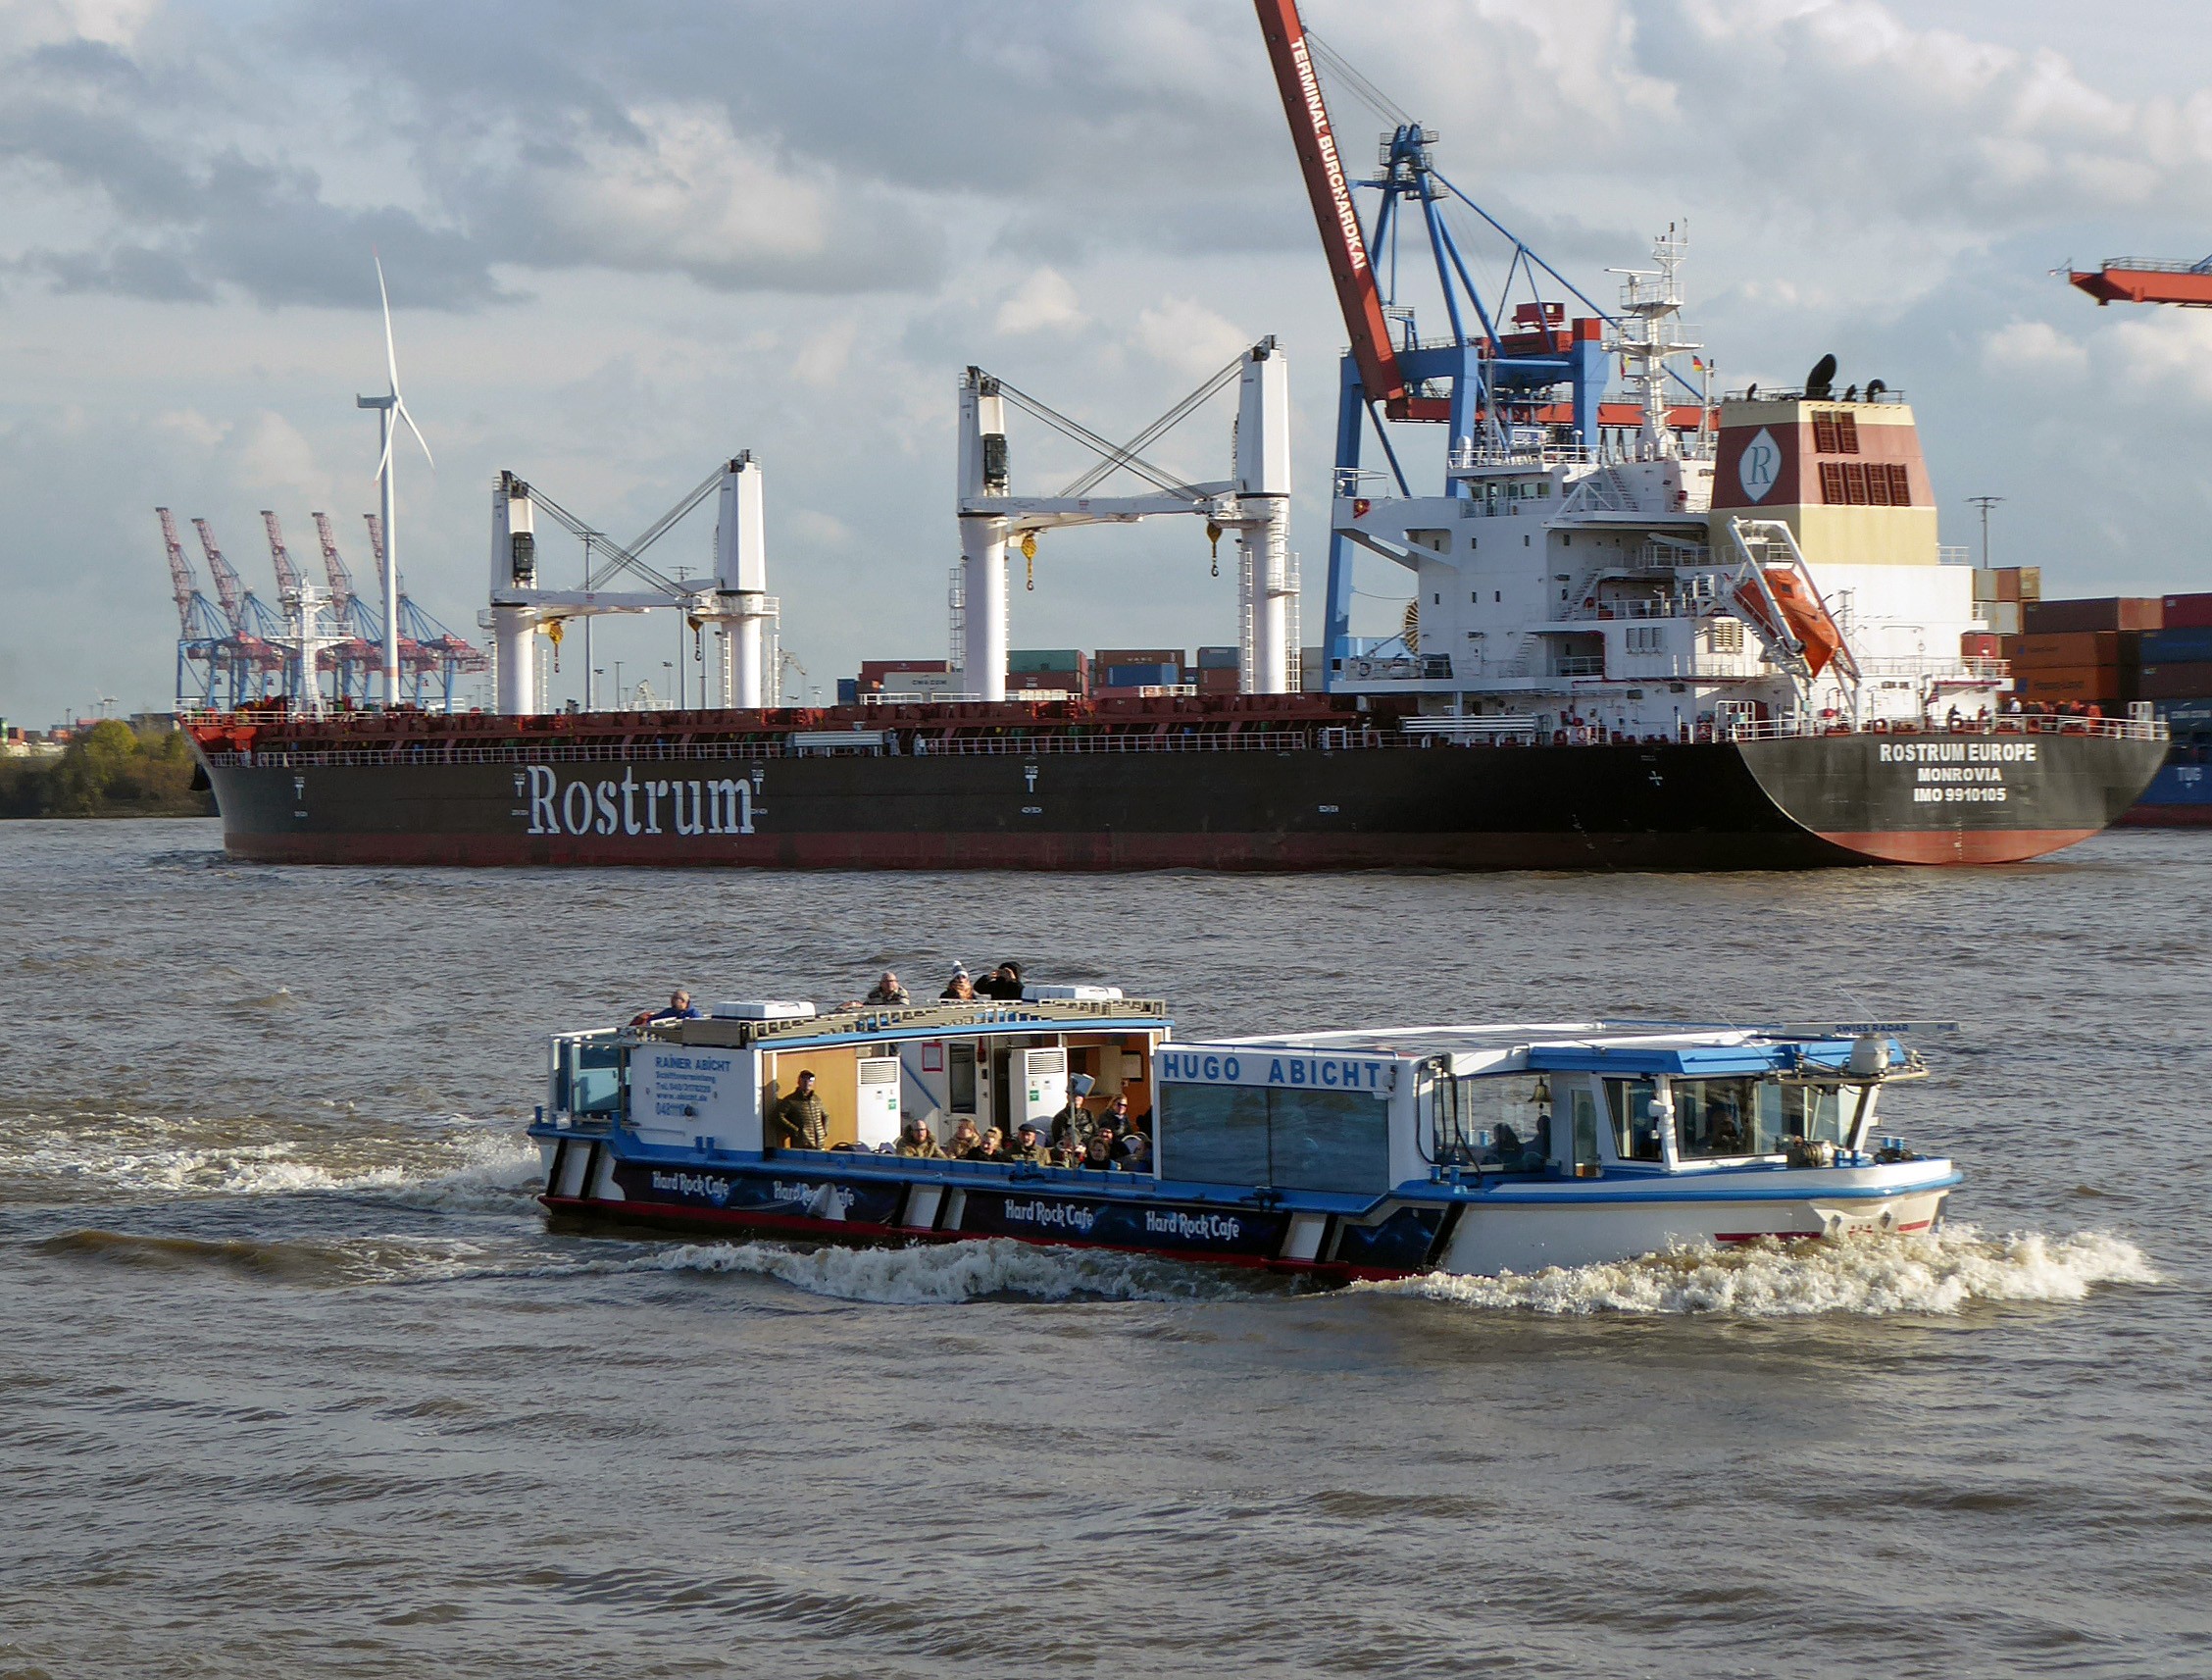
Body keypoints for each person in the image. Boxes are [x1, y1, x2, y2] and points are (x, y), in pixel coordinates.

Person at [769, 1070, 830, 1151]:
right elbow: (777, 1116)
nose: (807, 1082)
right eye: (804, 1079)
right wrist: (794, 1130)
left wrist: (824, 1131)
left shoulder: (816, 1099)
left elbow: (825, 1115)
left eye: (810, 1080)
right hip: (801, 1145)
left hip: (819, 1143)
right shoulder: (790, 1100)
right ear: (799, 1081)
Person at [1047, 1074, 1097, 1153]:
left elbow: (1095, 1133)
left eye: (1079, 1095)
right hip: (1070, 1152)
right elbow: (1059, 1140)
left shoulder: (1088, 1114)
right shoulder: (1061, 1117)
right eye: (1073, 1094)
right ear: (1068, 1097)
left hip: (1089, 1150)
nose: (1076, 1097)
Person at [632, 988, 702, 1026]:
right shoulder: (670, 1011)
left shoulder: (694, 1014)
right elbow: (655, 1018)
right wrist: (644, 1017)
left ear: (683, 1001)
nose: (671, 1001)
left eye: (674, 999)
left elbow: (699, 1026)